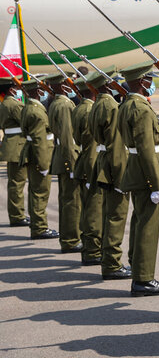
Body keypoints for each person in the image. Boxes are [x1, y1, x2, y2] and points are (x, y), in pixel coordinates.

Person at [117, 61, 159, 297]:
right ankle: (144, 279)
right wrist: (156, 183)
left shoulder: (127, 105)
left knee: (140, 224)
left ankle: (138, 270)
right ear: (142, 82)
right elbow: (147, 149)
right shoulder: (140, 108)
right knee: (147, 228)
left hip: (137, 171)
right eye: (149, 80)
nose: (152, 84)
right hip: (145, 174)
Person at [87, 67, 133, 279]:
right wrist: (120, 176)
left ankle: (109, 260)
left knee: (108, 214)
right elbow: (116, 144)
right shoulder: (111, 106)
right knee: (116, 215)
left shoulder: (97, 103)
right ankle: (112, 264)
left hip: (103, 162)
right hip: (113, 165)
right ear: (106, 84)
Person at [45, 72, 83, 253]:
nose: (72, 84)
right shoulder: (65, 105)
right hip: (68, 156)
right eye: (69, 82)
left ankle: (68, 237)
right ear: (61, 85)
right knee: (72, 202)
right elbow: (68, 138)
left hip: (60, 154)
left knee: (67, 200)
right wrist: (72, 164)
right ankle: (71, 240)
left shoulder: (56, 103)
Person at [18, 78, 59, 239]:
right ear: (39, 91)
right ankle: (40, 228)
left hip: (34, 154)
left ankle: (37, 225)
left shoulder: (30, 107)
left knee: (35, 192)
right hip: (39, 157)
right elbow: (39, 140)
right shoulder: (35, 111)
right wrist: (44, 165)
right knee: (40, 193)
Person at [71, 77, 103, 265]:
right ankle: (92, 252)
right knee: (93, 211)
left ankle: (88, 248)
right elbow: (92, 147)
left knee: (87, 209)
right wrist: (93, 173)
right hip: (90, 166)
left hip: (82, 163)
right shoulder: (91, 110)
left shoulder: (79, 108)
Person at [0, 77, 29, 227]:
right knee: (17, 183)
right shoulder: (13, 104)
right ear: (11, 90)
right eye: (15, 88)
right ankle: (18, 216)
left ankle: (17, 214)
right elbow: (26, 121)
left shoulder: (4, 104)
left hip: (11, 145)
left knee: (14, 183)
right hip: (17, 146)